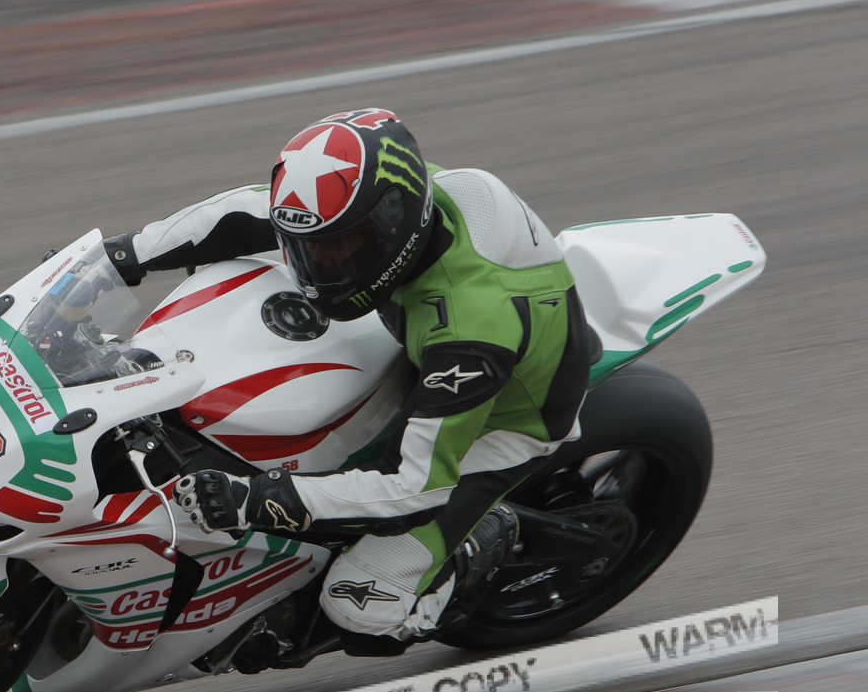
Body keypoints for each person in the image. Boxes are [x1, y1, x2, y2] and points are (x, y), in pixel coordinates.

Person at [105, 108, 599, 656]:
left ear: (394, 224)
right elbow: (242, 211)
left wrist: (254, 499)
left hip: (505, 419)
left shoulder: (471, 330)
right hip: (422, 328)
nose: (320, 266)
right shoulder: (374, 198)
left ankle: (476, 544)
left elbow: (413, 488)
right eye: (308, 248)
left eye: (342, 248)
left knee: (359, 606)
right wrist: (119, 257)